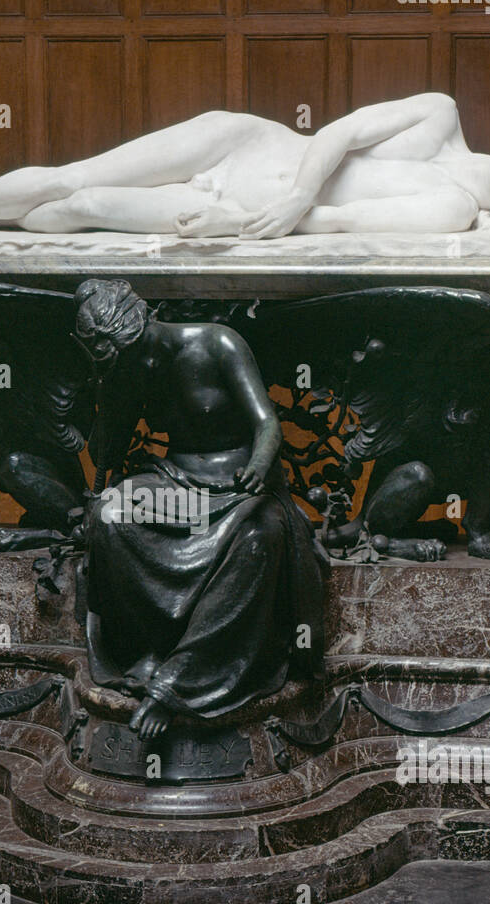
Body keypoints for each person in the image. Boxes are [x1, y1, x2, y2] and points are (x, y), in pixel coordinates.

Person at [74, 280, 325, 741]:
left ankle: (180, 680)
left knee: (259, 539)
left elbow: (267, 422)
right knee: (112, 516)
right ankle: (147, 649)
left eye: (131, 353)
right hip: (177, 485)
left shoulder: (217, 343)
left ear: (145, 325)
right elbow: (106, 449)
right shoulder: (130, 366)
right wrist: (109, 388)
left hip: (238, 484)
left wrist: (258, 464)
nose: (136, 363)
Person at [0, 92, 490, 240]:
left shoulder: (453, 209)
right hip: (245, 146)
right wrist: (294, 194)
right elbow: (340, 132)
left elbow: (341, 220)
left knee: (82, 211)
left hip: (242, 214)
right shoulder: (441, 113)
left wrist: (250, 220)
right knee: (76, 174)